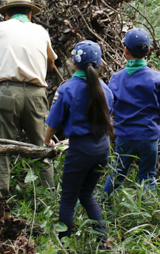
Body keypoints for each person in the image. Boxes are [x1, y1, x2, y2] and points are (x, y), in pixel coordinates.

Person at [0, 0, 58, 205]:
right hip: (36, 93)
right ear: (30, 13)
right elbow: (51, 64)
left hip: (6, 92)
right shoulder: (41, 31)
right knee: (41, 146)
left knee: (0, 148)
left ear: (6, 15)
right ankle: (49, 199)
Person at [44, 40, 114, 246]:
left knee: (68, 198)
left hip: (80, 151)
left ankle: (63, 244)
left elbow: (54, 121)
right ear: (99, 64)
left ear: (73, 63)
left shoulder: (67, 89)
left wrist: (47, 140)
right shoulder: (106, 90)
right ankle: (103, 241)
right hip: (102, 149)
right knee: (86, 193)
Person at [103, 28, 160, 197]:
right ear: (148, 51)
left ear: (125, 50)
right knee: (148, 177)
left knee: (117, 173)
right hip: (148, 137)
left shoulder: (116, 78)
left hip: (125, 136)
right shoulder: (157, 78)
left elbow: (109, 106)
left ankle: (103, 203)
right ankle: (148, 213)